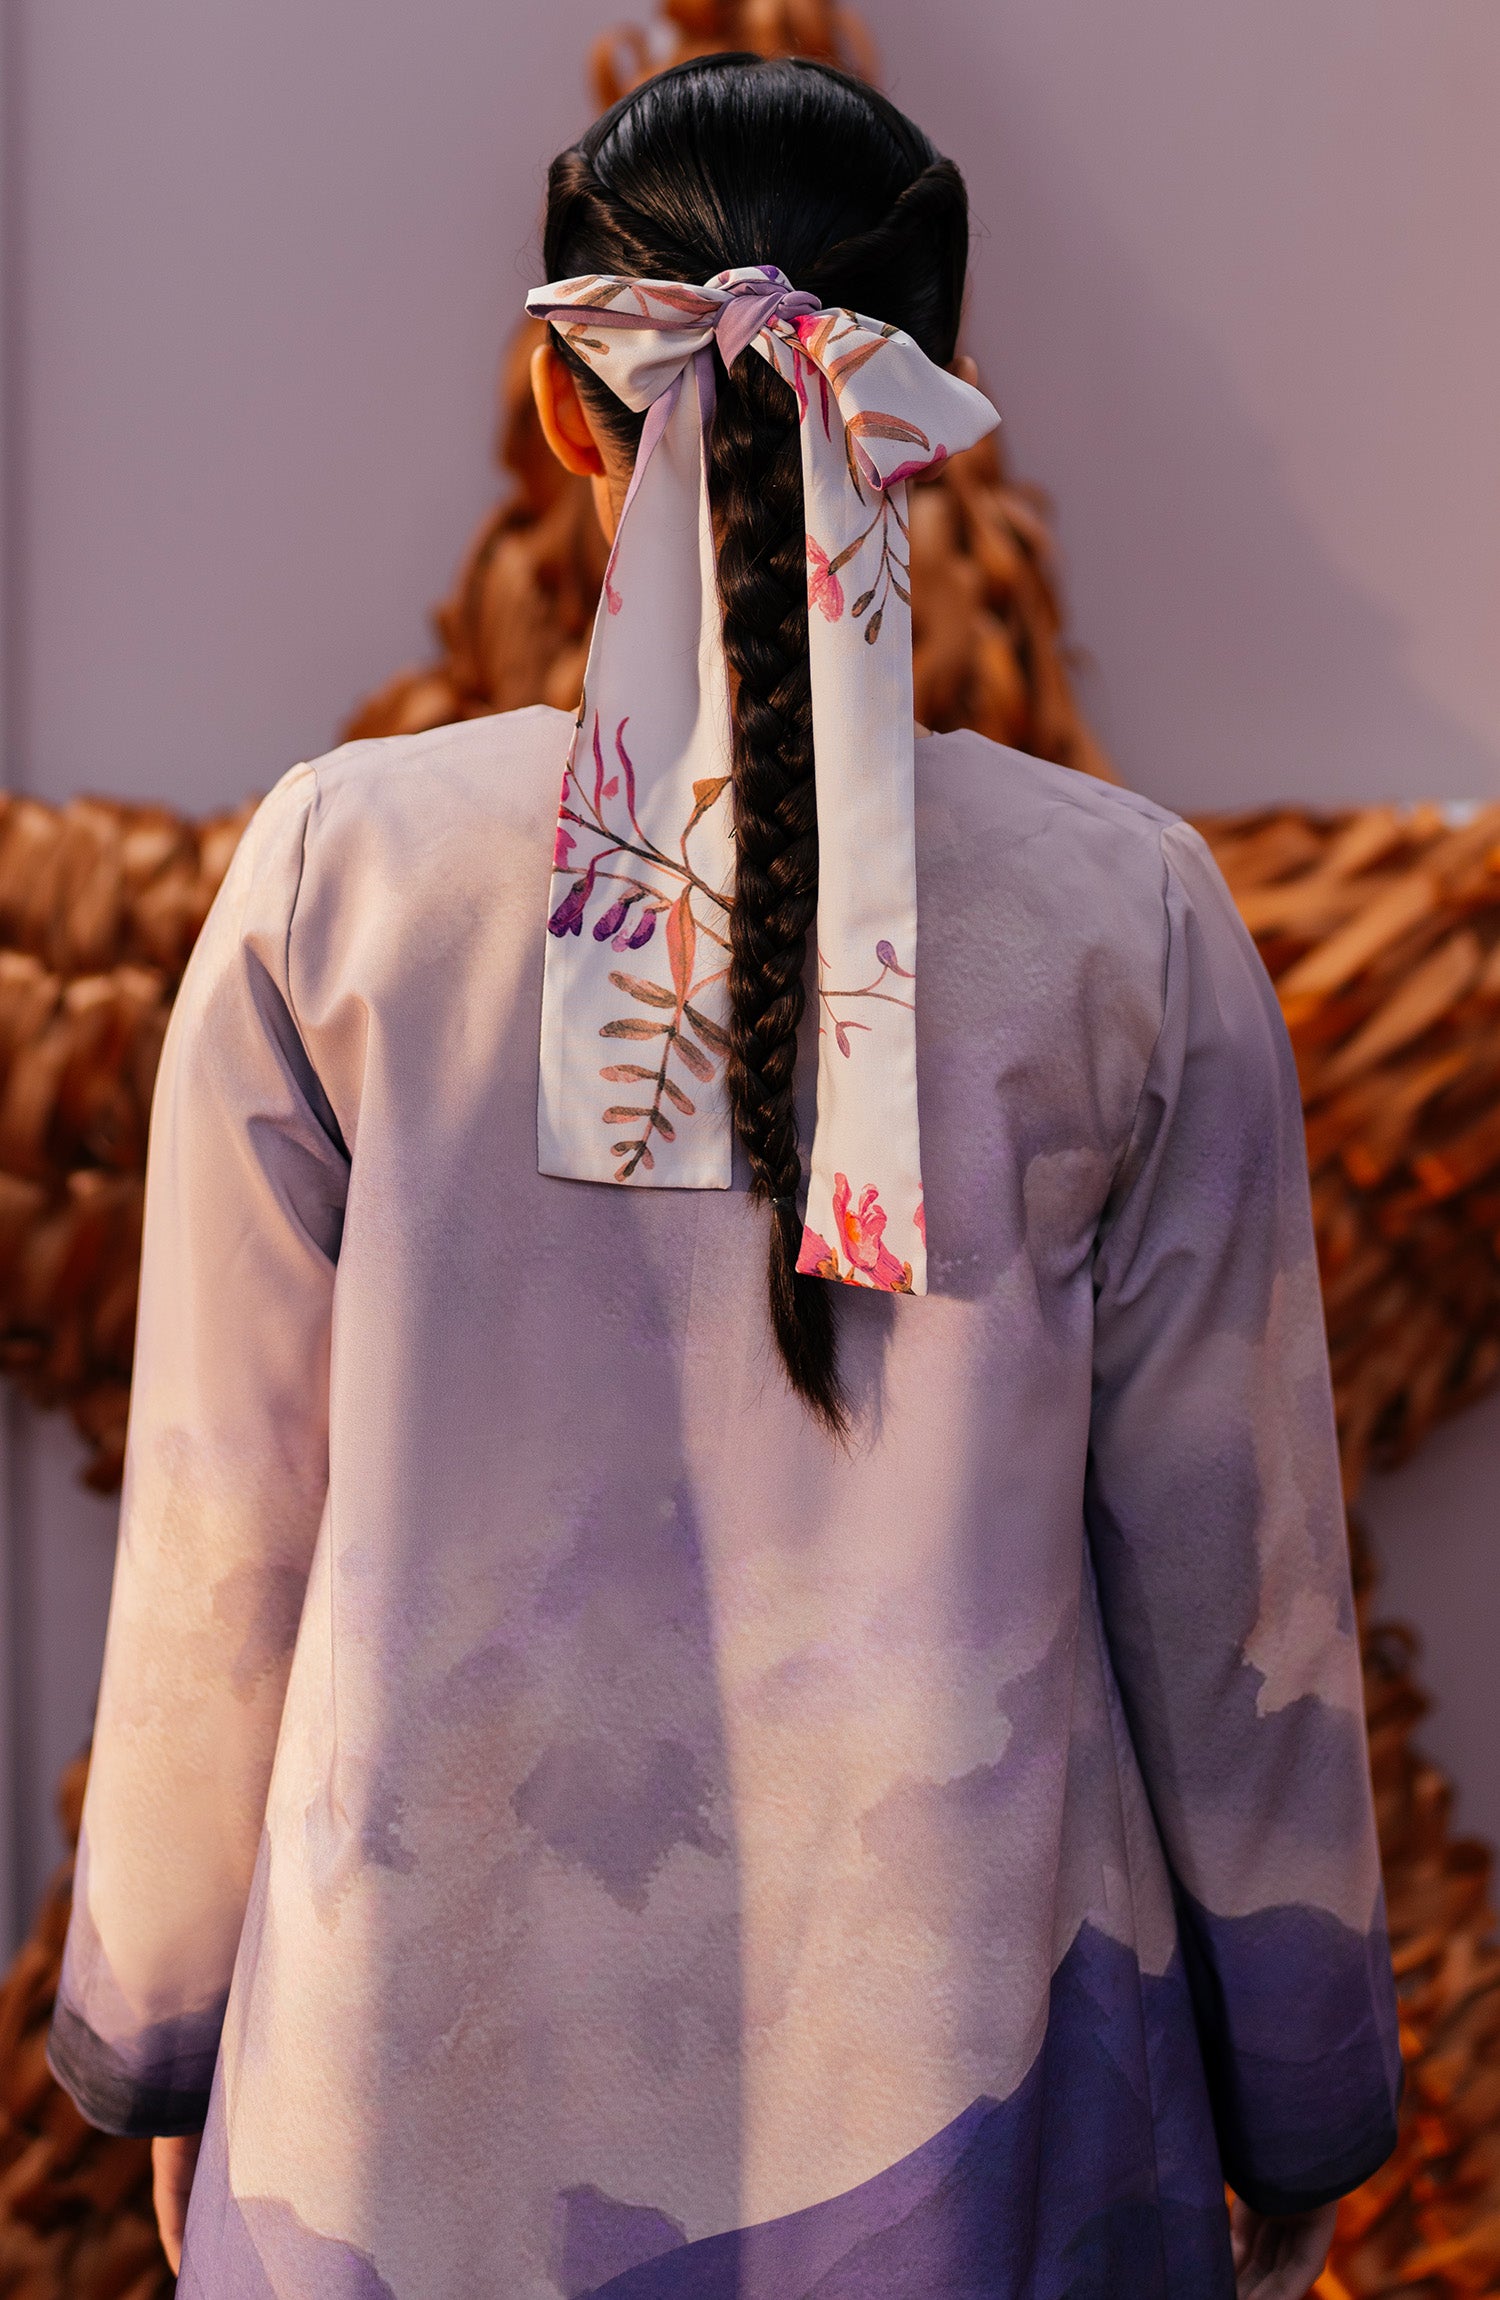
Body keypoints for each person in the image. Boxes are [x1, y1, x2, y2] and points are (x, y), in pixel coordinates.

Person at [48, 54, 1398, 2300]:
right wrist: (1300, 2076)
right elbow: (1235, 1589)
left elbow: (221, 1539)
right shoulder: (1128, 921)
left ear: (564, 407)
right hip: (989, 2118)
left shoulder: (336, 882)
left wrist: (169, 2043)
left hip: (403, 2120)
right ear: (931, 403)